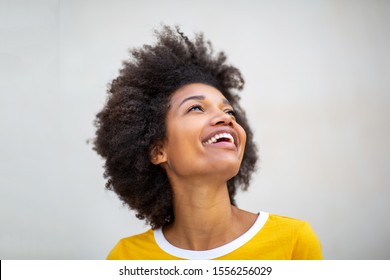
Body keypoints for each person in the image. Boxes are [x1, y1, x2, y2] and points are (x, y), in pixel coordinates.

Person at [93, 25, 323, 260]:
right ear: (158, 150)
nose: (225, 118)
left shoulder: (293, 242)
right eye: (196, 108)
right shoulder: (127, 257)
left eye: (229, 112)